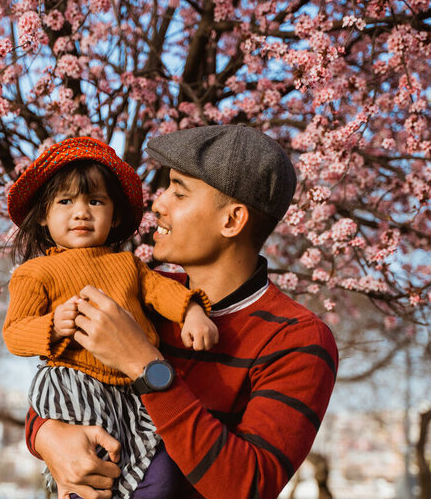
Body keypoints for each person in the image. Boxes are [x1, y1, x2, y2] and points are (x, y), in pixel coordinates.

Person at [24, 125, 339, 499]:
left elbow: (247, 487)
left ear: (232, 221)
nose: (158, 204)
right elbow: (67, 379)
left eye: (179, 191)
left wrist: (146, 367)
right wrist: (46, 435)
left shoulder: (297, 339)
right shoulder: (140, 290)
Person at [2, 136, 218, 499]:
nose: (81, 212)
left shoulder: (128, 265)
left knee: (160, 471)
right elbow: (14, 333)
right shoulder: (35, 272)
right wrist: (52, 326)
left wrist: (192, 311)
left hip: (135, 391)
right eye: (65, 202)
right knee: (90, 476)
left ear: (114, 214)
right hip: (75, 385)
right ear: (43, 214)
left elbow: (161, 291)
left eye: (95, 201)